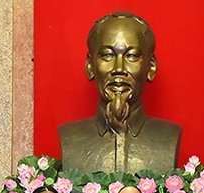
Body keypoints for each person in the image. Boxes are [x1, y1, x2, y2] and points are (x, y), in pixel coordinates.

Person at [59, 11, 182, 174]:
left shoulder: (169, 136)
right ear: (90, 65)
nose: (119, 69)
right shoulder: (70, 137)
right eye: (107, 55)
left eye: (131, 56)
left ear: (151, 67)